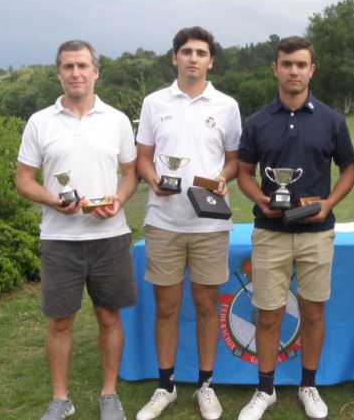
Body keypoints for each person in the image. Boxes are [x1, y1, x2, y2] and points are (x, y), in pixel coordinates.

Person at [235, 36, 354, 420]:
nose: (294, 71)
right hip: (270, 232)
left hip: (316, 233)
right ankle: (265, 389)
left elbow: (349, 170)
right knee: (268, 314)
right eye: (287, 63)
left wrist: (329, 204)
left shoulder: (331, 120)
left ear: (311, 70)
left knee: (313, 312)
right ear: (275, 67)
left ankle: (308, 385)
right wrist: (259, 199)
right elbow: (243, 172)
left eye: (301, 64)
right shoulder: (256, 122)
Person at [16, 40, 138, 420]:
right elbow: (23, 180)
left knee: (109, 317)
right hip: (59, 238)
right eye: (68, 66)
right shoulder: (40, 121)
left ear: (96, 71)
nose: (75, 73)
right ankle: (60, 399)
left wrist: (117, 199)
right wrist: (52, 200)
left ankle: (108, 394)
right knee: (60, 321)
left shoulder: (116, 119)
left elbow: (131, 173)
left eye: (82, 65)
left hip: (109, 235)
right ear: (59, 73)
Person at [134, 26, 241, 420]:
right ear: (174, 57)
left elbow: (233, 158)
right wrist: (151, 179)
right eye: (186, 52)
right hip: (163, 221)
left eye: (201, 52)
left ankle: (206, 385)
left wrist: (223, 177)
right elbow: (143, 155)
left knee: (206, 305)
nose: (193, 58)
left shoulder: (227, 105)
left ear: (210, 60)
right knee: (167, 306)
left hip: (210, 223)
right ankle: (166, 386)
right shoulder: (153, 102)